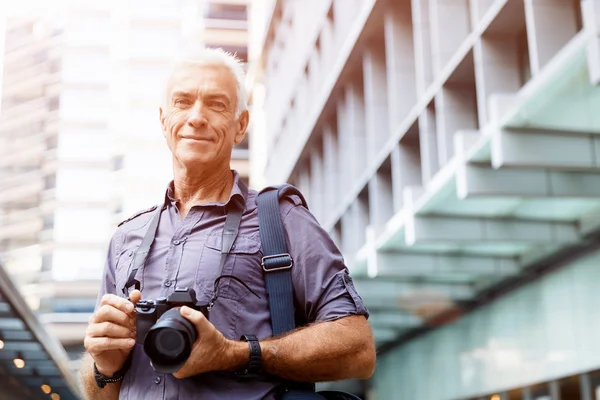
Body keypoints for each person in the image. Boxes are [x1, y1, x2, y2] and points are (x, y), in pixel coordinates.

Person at [79, 47, 376, 400]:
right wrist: (105, 367)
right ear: (163, 120)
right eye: (183, 101)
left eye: (217, 104)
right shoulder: (125, 239)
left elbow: (358, 348)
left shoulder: (280, 219)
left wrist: (235, 353)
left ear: (241, 126)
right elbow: (100, 393)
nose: (197, 117)